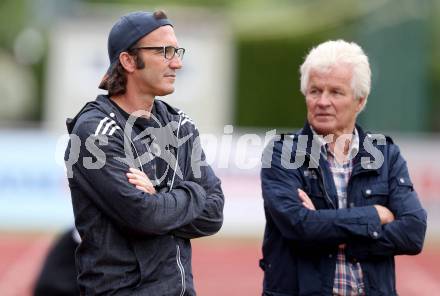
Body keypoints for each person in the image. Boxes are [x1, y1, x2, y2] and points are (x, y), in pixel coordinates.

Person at [64, 10, 224, 295]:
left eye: (177, 51)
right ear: (127, 60)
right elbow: (143, 216)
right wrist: (192, 193)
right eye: (164, 52)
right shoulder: (95, 132)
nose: (177, 63)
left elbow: (214, 214)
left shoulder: (179, 124)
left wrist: (161, 199)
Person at [260, 40, 427, 296]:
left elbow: (413, 233)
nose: (322, 101)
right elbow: (299, 226)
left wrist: (326, 229)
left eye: (336, 92)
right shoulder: (282, 153)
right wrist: (373, 216)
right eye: (315, 91)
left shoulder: (386, 154)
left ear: (360, 101)